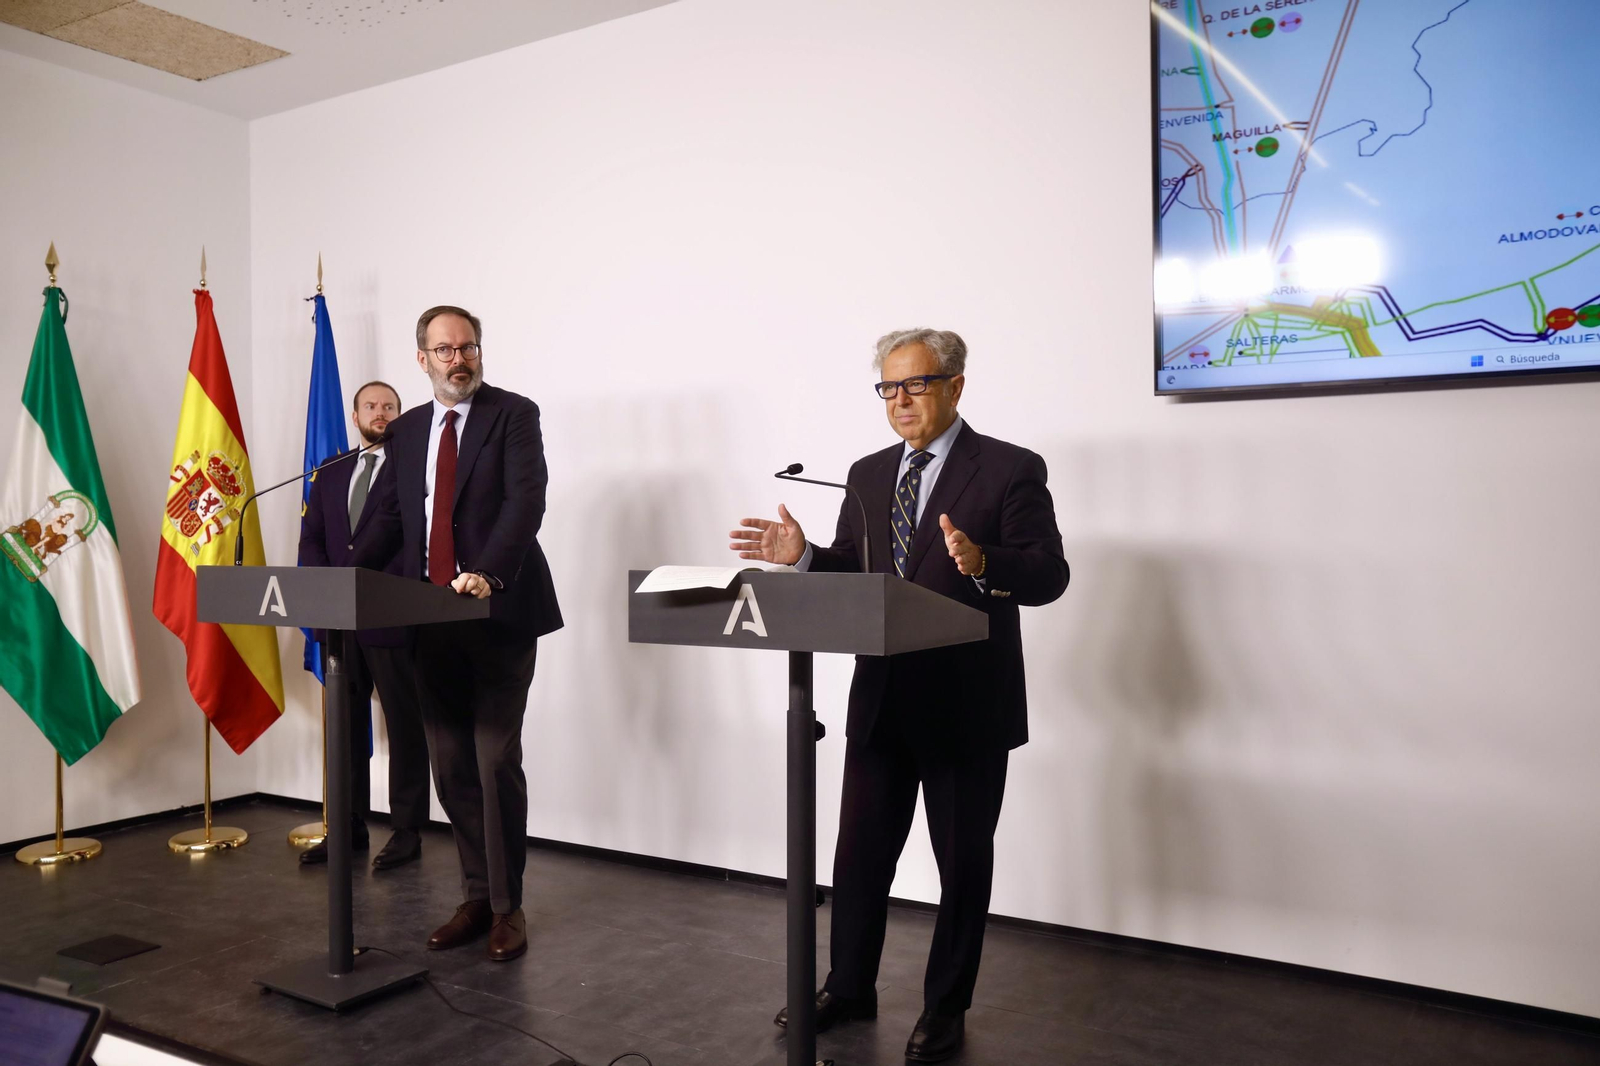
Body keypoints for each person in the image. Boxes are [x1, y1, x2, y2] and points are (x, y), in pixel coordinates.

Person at [730, 328, 1069, 1063]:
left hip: (967, 708)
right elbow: (859, 571)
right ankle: (849, 988)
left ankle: (946, 1007)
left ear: (955, 386)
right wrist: (808, 557)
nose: (900, 401)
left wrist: (985, 563)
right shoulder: (868, 473)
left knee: (961, 868)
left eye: (915, 385)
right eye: (888, 387)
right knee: (858, 860)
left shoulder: (1009, 469)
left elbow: (1049, 575)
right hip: (882, 702)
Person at [351, 305, 562, 962]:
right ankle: (475, 895)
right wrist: (340, 576)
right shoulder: (409, 429)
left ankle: (507, 907)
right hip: (431, 623)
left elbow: (526, 502)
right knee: (450, 764)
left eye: (467, 347)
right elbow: (391, 517)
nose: (458, 358)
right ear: (423, 359)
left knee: (495, 759)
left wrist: (487, 572)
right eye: (444, 350)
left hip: (498, 613)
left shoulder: (513, 415)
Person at [296, 380, 431, 870]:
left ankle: (407, 830)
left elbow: (396, 534)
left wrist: (346, 578)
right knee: (346, 729)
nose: (381, 412)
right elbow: (312, 537)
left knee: (405, 726)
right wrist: (322, 590)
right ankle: (347, 826)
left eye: (389, 407)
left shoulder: (411, 466)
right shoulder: (331, 470)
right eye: (371, 405)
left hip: (391, 613)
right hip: (339, 623)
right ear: (354, 415)